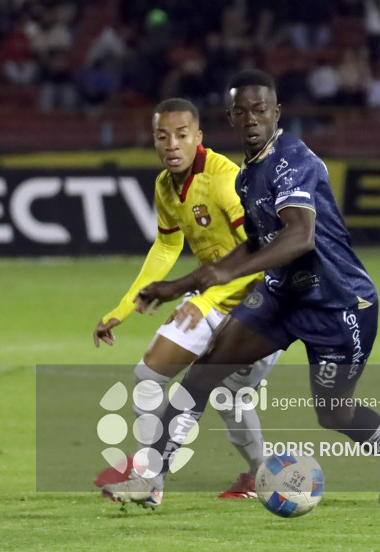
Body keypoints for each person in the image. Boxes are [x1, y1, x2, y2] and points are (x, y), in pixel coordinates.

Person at [101, 70, 380, 508]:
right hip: (280, 297)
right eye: (243, 112)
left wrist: (221, 277)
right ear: (231, 118)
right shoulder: (246, 175)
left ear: (276, 112)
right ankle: (151, 479)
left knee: (333, 412)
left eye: (261, 110)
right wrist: (187, 283)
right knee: (204, 372)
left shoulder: (294, 160)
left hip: (338, 303)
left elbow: (299, 237)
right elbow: (256, 243)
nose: (252, 119)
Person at [93, 98, 280, 504]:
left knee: (228, 397)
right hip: (209, 298)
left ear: (198, 138)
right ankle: (150, 480)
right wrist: (123, 308)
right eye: (163, 136)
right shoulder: (165, 185)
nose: (172, 144)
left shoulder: (225, 180)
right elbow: (165, 247)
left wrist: (205, 297)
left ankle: (257, 473)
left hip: (260, 305)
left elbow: (260, 248)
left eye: (181, 135)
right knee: (149, 378)